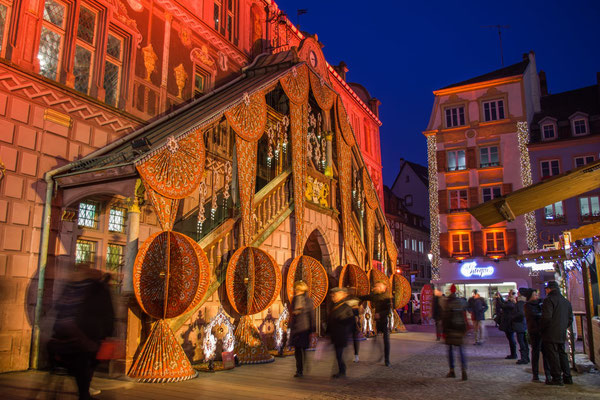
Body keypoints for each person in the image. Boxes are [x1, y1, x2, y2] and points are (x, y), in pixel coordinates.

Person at [47, 263, 114, 400]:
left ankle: (78, 383)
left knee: (80, 358)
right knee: (88, 358)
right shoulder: (96, 287)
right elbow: (106, 313)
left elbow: (58, 308)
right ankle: (83, 391)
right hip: (80, 338)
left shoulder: (70, 286)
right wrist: (107, 333)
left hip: (59, 337)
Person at [541, 280, 574, 386]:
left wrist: (541, 328)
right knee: (562, 353)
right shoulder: (565, 301)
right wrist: (563, 326)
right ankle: (567, 376)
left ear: (549, 289)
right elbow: (570, 319)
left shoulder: (549, 300)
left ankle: (557, 378)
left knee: (553, 355)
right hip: (561, 331)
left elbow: (546, 317)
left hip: (550, 332)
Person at [360, 281, 392, 366]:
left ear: (383, 288)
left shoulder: (387, 297)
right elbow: (366, 297)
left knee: (386, 341)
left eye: (378, 286)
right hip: (377, 322)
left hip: (384, 322)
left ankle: (387, 360)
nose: (376, 288)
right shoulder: (375, 296)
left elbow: (388, 311)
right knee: (376, 340)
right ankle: (378, 355)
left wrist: (380, 314)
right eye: (376, 286)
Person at [327, 288, 355, 378]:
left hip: (342, 333)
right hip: (335, 333)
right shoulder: (333, 305)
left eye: (334, 294)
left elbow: (351, 320)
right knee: (338, 354)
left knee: (339, 354)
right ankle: (341, 370)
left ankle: (342, 371)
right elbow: (330, 319)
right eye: (332, 295)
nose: (333, 296)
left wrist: (342, 324)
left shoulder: (346, 306)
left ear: (341, 294)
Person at [289, 281, 315, 378]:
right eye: (296, 289)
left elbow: (311, 315)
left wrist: (313, 330)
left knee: (303, 349)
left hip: (304, 328)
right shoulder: (294, 300)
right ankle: (299, 370)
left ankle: (305, 364)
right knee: (297, 350)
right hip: (296, 328)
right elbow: (291, 313)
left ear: (303, 290)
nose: (296, 291)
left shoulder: (308, 300)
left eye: (298, 289)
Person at [442, 284, 468, 380]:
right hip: (460, 328)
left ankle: (452, 370)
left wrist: (444, 331)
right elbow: (464, 315)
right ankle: (463, 369)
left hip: (450, 329)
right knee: (461, 350)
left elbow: (445, 318)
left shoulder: (447, 303)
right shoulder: (461, 302)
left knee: (450, 350)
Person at [524, 288, 550, 383]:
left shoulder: (540, 304)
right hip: (534, 332)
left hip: (542, 331)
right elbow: (534, 315)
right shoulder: (528, 306)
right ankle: (535, 375)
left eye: (537, 294)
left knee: (545, 353)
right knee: (535, 353)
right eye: (535, 294)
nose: (537, 296)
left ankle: (548, 374)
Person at [513, 288, 530, 365]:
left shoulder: (520, 303)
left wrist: (513, 317)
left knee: (522, 342)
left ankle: (524, 358)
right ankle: (526, 357)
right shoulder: (525, 303)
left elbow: (520, 314)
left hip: (519, 325)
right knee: (524, 342)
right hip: (524, 324)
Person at [344, 292, 361, 362]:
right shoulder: (355, 300)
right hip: (352, 322)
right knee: (354, 339)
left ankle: (356, 355)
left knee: (354, 339)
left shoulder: (348, 301)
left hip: (353, 322)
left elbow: (359, 312)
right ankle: (355, 355)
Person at [500, 291, 517, 359]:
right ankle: (513, 353)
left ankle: (513, 354)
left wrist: (499, 299)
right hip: (509, 322)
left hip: (509, 323)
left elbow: (503, 305)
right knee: (510, 338)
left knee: (511, 338)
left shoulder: (511, 304)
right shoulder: (511, 303)